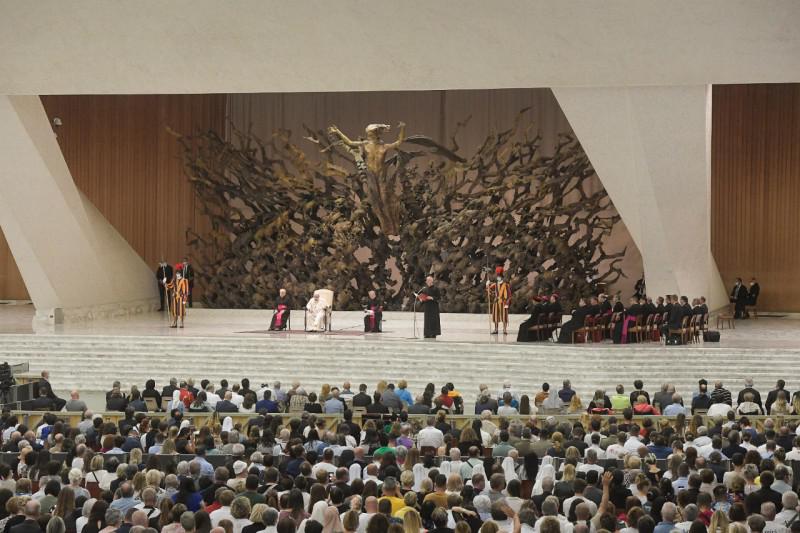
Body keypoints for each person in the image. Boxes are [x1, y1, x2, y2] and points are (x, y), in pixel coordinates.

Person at [486, 266, 511, 335]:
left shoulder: (506, 285)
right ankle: (496, 329)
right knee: (495, 316)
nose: (498, 277)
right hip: (496, 302)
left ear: (502, 277)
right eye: (497, 276)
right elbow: (489, 291)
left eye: (499, 276)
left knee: (504, 316)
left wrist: (507, 303)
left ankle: (504, 329)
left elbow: (509, 295)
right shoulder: (495, 284)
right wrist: (487, 285)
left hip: (503, 302)